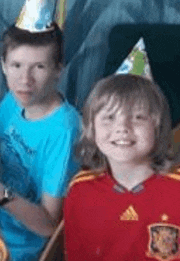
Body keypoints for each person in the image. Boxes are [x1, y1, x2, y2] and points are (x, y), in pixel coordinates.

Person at [0, 15, 81, 261]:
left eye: (39, 67)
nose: (25, 79)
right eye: (16, 65)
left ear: (59, 69)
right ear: (4, 65)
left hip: (17, 242)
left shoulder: (64, 132)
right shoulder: (18, 99)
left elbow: (48, 225)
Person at [64, 73, 180, 261]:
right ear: (91, 129)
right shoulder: (80, 190)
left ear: (157, 127)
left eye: (138, 117)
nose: (122, 127)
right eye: (109, 117)